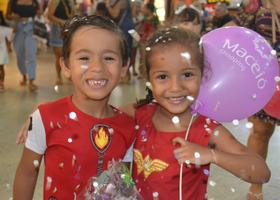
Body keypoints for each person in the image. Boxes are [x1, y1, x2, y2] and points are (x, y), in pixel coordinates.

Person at [121, 27, 271, 200]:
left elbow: (262, 172)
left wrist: (212, 155)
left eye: (187, 74)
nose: (176, 87)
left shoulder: (205, 128)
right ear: (149, 80)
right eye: (162, 77)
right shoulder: (136, 114)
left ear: (203, 76)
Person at [13, 15, 136, 199]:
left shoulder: (128, 126)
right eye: (84, 57)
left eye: (109, 58)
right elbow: (27, 173)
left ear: (125, 67)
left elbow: (123, 181)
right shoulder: (46, 118)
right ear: (66, 65)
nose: (97, 67)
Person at [227, 0, 280, 199]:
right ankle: (255, 188)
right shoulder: (257, 4)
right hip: (263, 77)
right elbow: (233, 28)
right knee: (260, 132)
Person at [6, 0, 41, 92]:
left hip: (32, 28)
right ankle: (24, 75)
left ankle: (31, 81)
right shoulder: (12, 2)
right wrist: (13, 17)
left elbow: (39, 14)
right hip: (18, 28)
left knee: (31, 54)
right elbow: (7, 15)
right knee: (19, 55)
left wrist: (39, 13)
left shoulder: (34, 2)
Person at [104, 0, 134, 83]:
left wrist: (107, 5)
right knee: (127, 50)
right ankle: (126, 76)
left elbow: (115, 14)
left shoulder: (120, 1)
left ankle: (125, 77)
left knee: (122, 51)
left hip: (123, 28)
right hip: (129, 26)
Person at [47, 0, 75, 85]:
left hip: (69, 30)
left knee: (69, 55)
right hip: (57, 29)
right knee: (59, 56)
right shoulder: (54, 1)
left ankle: (70, 74)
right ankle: (58, 76)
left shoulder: (70, 1)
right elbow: (49, 16)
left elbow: (72, 14)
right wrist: (61, 22)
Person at [0, 11, 13, 92]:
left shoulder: (3, 29)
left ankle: (1, 83)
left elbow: (9, 37)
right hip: (2, 51)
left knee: (1, 68)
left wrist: (9, 47)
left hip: (2, 52)